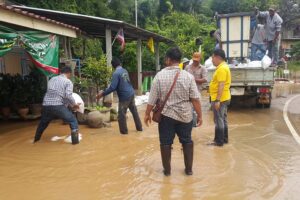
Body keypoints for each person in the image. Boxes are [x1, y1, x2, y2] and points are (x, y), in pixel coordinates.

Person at [144, 47, 202, 176]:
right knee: (187, 141)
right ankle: (189, 170)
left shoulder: (159, 76)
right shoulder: (188, 76)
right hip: (185, 116)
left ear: (168, 60)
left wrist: (147, 114)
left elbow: (152, 98)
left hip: (166, 117)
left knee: (165, 143)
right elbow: (195, 99)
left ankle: (167, 172)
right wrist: (200, 115)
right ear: (179, 60)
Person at [33, 66, 80, 145]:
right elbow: (68, 96)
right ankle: (75, 143)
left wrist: (70, 106)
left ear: (61, 72)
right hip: (57, 105)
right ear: (69, 73)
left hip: (46, 105)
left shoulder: (52, 79)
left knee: (43, 123)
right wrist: (74, 104)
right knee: (72, 120)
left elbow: (57, 94)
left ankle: (35, 140)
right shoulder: (68, 82)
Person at [96, 57, 143, 134]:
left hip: (124, 97)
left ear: (113, 66)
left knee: (121, 116)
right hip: (131, 93)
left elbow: (112, 87)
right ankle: (140, 128)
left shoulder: (116, 73)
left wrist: (102, 94)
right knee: (134, 112)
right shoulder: (125, 70)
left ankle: (124, 134)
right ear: (120, 63)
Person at [209, 49, 231, 147]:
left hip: (220, 99)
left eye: (212, 57)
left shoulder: (222, 69)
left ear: (218, 57)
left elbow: (221, 85)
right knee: (223, 119)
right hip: (224, 97)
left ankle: (219, 141)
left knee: (219, 119)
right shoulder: (224, 67)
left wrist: (217, 100)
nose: (212, 60)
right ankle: (224, 139)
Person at [185, 52, 207, 127]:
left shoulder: (203, 68)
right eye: (194, 60)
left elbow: (205, 79)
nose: (195, 61)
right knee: (188, 110)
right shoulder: (187, 67)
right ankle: (188, 127)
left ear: (200, 59)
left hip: (197, 92)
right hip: (186, 92)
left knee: (196, 110)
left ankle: (194, 126)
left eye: (197, 60)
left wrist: (193, 80)